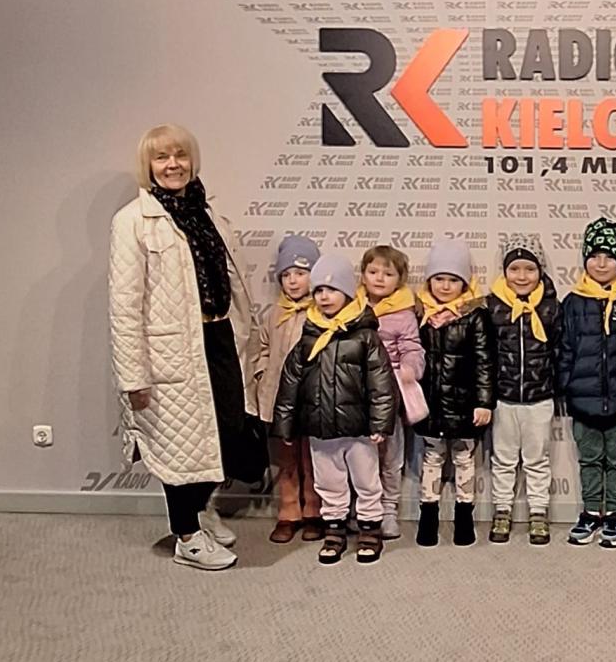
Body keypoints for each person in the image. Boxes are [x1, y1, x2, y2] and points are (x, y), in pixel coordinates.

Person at [108, 123, 258, 571]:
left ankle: (202, 507)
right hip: (170, 351)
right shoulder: (132, 222)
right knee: (179, 444)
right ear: (148, 165)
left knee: (228, 428)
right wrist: (133, 376)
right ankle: (187, 536)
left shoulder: (207, 212)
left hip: (219, 336)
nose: (173, 165)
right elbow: (124, 306)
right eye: (161, 157)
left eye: (180, 155)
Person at [273, 252, 398, 564]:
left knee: (367, 481)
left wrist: (380, 423)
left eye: (331, 289)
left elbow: (382, 383)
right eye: (318, 290)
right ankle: (334, 530)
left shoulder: (366, 336)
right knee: (329, 483)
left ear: (347, 292)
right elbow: (290, 383)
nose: (324, 296)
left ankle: (369, 529)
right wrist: (285, 424)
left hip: (358, 429)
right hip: (321, 429)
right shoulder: (308, 337)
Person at [557, 217, 616, 549]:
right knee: (590, 459)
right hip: (583, 401)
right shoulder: (573, 302)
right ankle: (591, 512)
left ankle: (614, 515)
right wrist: (565, 387)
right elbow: (564, 348)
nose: (600, 263)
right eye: (594, 255)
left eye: (609, 256)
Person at [415, 238, 495, 548]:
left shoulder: (475, 315)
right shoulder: (420, 314)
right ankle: (428, 517)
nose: (445, 286)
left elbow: (485, 361)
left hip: (464, 405)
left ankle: (464, 517)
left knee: (464, 459)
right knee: (431, 458)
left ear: (465, 282)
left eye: (453, 279)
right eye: (439, 278)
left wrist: (484, 402)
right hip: (430, 404)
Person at [486, 234, 561, 546]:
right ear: (504, 271)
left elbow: (560, 350)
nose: (521, 276)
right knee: (503, 459)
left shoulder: (551, 307)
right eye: (514, 269)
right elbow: (485, 354)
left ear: (540, 271)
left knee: (537, 459)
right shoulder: (491, 306)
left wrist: (557, 386)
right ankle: (502, 510)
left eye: (529, 269)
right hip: (503, 398)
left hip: (539, 398)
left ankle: (538, 512)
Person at [254, 234, 323, 544]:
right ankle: (288, 511)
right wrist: (262, 375)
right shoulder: (274, 313)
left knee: (312, 458)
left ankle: (314, 511)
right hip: (279, 398)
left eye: (300, 273)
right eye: (286, 275)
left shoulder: (321, 312)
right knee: (286, 459)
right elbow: (262, 348)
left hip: (311, 399)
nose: (293, 281)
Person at [359, 244, 425, 540]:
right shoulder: (352, 306)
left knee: (391, 456)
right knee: (361, 456)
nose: (379, 278)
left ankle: (388, 510)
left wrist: (411, 368)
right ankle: (364, 509)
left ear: (400, 279)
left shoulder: (403, 312)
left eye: (388, 274)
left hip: (389, 394)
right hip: (358, 393)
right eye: (373, 271)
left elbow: (412, 347)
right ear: (363, 275)